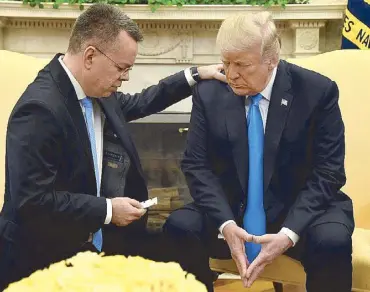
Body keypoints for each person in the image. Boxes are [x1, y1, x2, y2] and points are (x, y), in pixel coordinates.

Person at [0, 3, 226, 290]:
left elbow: (143, 101)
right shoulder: (39, 110)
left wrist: (194, 75)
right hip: (40, 261)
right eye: (122, 68)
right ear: (91, 56)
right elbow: (31, 203)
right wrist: (107, 209)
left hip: (88, 250)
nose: (126, 77)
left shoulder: (96, 90)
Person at [164, 11, 354, 292]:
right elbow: (196, 165)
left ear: (272, 60)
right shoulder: (209, 93)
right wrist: (226, 224)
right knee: (180, 226)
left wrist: (288, 233)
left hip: (297, 209)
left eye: (242, 65)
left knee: (332, 240)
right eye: (226, 62)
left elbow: (328, 172)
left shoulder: (317, 91)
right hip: (233, 210)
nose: (231, 74)